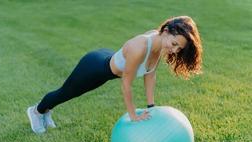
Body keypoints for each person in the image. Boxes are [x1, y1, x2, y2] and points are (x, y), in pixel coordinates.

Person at [27, 16, 203, 134]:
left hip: (108, 64)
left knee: (71, 93)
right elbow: (126, 84)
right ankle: (36, 111)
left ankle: (46, 111)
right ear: (165, 31)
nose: (174, 50)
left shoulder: (160, 46)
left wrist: (151, 106)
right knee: (66, 93)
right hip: (95, 67)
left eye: (178, 48)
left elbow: (150, 74)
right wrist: (133, 114)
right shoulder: (140, 48)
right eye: (174, 44)